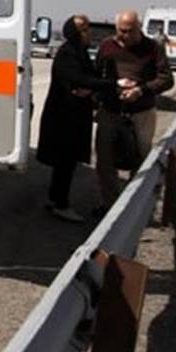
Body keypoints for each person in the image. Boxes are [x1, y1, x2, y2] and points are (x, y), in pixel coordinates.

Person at [35, 15, 115, 222]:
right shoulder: (68, 53)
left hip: (73, 116)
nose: (88, 34)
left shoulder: (79, 52)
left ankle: (55, 198)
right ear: (74, 33)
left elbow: (88, 79)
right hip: (64, 118)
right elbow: (77, 79)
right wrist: (110, 85)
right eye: (84, 30)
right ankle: (60, 204)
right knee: (65, 162)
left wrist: (91, 88)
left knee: (66, 163)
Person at [94, 9, 174, 208]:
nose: (126, 35)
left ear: (139, 28)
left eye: (131, 31)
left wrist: (141, 90)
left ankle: (132, 206)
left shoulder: (153, 48)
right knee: (104, 159)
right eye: (122, 31)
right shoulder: (107, 46)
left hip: (141, 112)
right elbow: (96, 76)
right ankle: (109, 205)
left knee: (140, 158)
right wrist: (107, 92)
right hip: (111, 110)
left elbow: (166, 79)